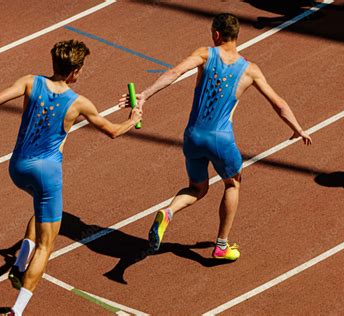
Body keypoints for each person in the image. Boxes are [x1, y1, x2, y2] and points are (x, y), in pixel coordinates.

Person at [0, 39, 142, 315]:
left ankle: (19, 264)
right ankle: (16, 311)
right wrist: (132, 117)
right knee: (47, 244)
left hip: (17, 168)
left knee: (40, 208)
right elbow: (112, 131)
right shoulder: (79, 103)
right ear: (74, 71)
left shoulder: (31, 82)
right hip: (47, 174)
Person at [119, 13, 312, 261]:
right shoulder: (250, 70)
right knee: (233, 183)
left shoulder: (204, 54)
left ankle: (169, 212)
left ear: (217, 35)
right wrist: (297, 128)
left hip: (193, 136)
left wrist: (145, 95)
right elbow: (279, 104)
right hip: (221, 140)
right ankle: (221, 245)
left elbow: (174, 73)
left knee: (197, 187)